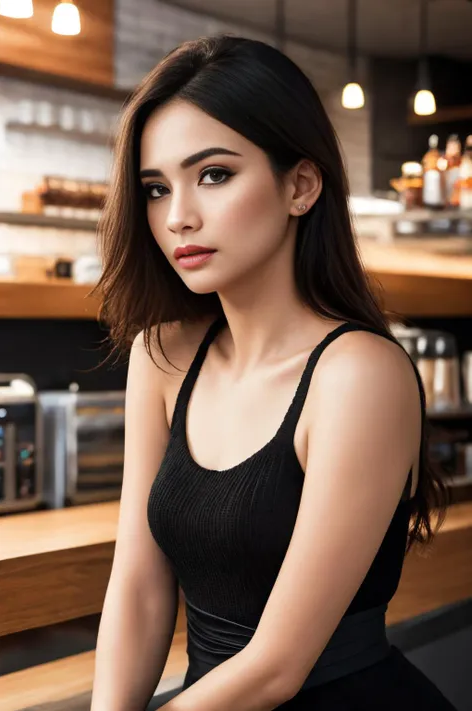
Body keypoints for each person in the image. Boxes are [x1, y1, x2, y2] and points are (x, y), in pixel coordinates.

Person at [89, 34, 456, 711]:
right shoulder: (162, 355)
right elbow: (139, 588)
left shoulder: (358, 376)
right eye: (156, 188)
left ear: (301, 185)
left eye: (215, 174)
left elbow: (278, 665)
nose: (178, 217)